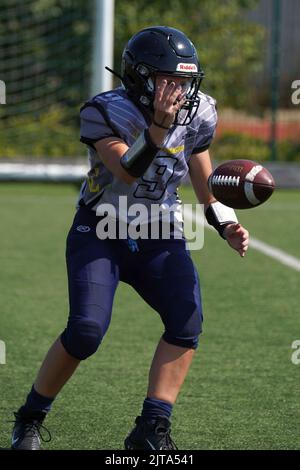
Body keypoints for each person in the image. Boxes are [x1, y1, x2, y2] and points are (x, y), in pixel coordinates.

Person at [11, 26, 249, 450]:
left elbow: (203, 179)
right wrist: (158, 127)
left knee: (186, 319)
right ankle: (29, 418)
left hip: (160, 231)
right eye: (169, 81)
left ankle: (152, 427)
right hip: (100, 230)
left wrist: (225, 223)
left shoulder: (199, 113)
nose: (180, 92)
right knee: (86, 331)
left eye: (186, 82)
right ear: (140, 78)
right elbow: (126, 170)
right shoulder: (104, 110)